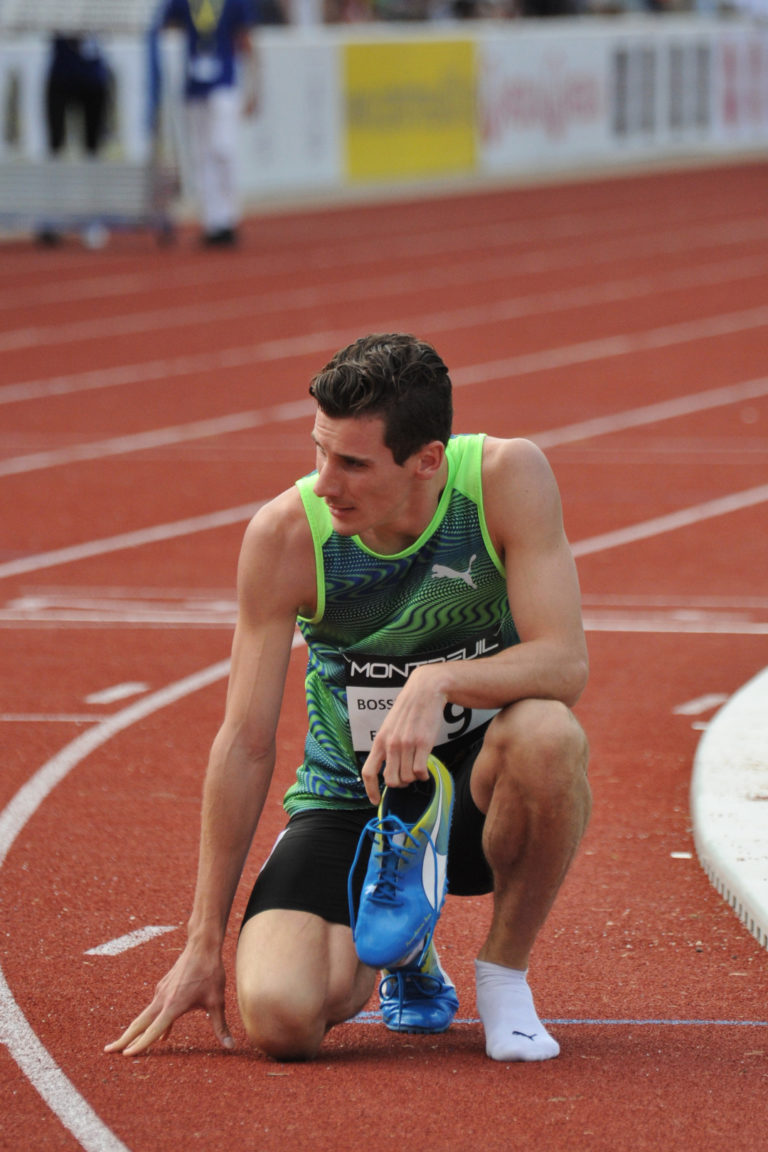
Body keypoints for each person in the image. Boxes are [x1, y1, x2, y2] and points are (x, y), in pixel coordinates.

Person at [106, 332, 591, 1064]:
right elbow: (245, 740)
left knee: (551, 737)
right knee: (279, 1020)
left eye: (353, 463)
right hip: (353, 800)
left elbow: (564, 663)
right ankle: (405, 939)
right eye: (318, 452)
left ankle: (503, 978)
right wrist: (203, 940)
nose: (326, 481)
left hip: (479, 787)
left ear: (428, 460)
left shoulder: (503, 478)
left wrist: (437, 681)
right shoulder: (286, 536)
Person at [155, 0, 259, 247]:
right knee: (201, 156)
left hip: (224, 84)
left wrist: (255, 88)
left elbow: (246, 41)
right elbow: (162, 24)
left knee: (223, 149)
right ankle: (213, 221)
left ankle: (228, 216)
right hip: (194, 87)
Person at [38, 34, 112, 248]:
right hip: (61, 73)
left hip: (93, 78)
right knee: (55, 148)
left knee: (93, 150)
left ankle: (92, 218)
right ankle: (51, 217)